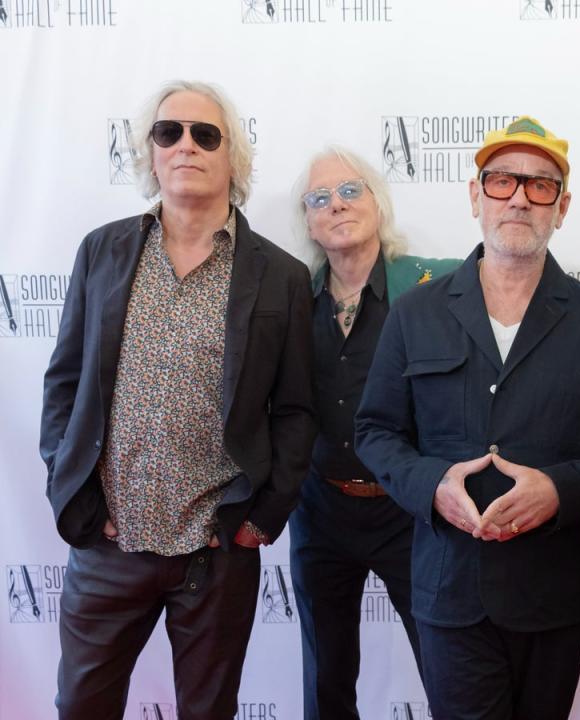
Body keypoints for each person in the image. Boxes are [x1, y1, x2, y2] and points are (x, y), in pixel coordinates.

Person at [38, 80, 316, 720]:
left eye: (205, 134)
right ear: (151, 152)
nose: (185, 145)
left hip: (215, 553)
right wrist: (71, 489)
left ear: (232, 159)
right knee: (81, 706)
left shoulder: (280, 276)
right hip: (108, 546)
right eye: (169, 132)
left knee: (209, 711)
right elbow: (62, 384)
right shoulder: (102, 251)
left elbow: (298, 411)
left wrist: (263, 516)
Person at [354, 116, 580, 720]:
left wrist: (558, 490)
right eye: (502, 181)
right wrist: (432, 486)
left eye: (540, 186)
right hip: (449, 590)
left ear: (561, 208)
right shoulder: (415, 314)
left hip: (553, 594)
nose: (518, 197)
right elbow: (376, 433)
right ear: (474, 196)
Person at [288, 146, 459, 720]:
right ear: (308, 222)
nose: (336, 205)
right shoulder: (290, 299)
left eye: (349, 190)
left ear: (378, 204)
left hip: (407, 512)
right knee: (325, 678)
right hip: (320, 511)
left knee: (447, 669)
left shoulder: (434, 288)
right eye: (319, 199)